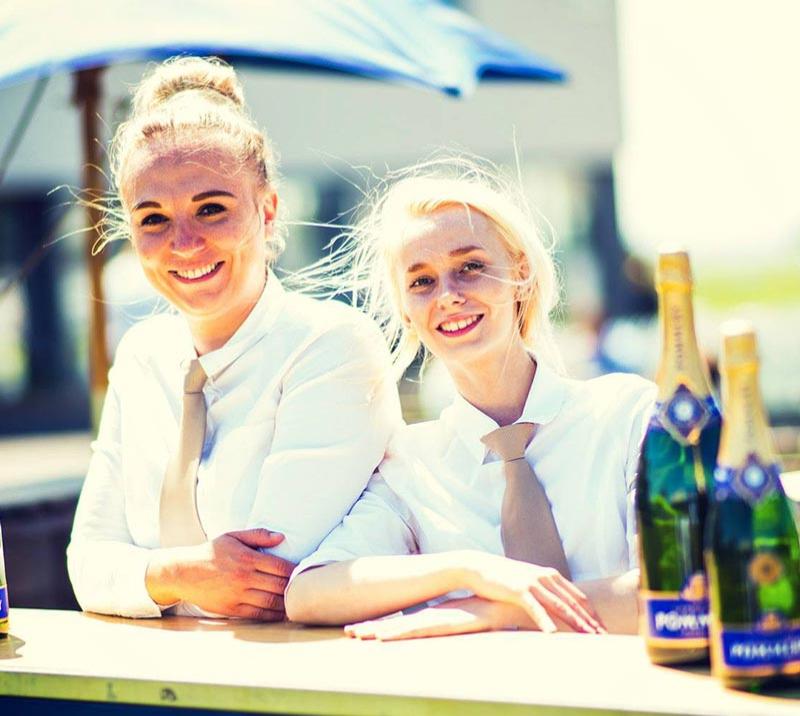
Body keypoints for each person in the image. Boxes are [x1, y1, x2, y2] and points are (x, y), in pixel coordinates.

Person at [67, 57, 400, 620]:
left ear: (267, 211)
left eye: (211, 209)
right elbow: (85, 566)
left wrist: (143, 579)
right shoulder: (140, 358)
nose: (185, 242)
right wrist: (178, 575)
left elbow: (266, 578)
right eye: (152, 219)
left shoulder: (331, 345)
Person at [285, 157, 656, 638]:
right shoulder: (410, 466)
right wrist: (468, 570)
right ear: (405, 312)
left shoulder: (628, 414)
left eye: (470, 267)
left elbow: (680, 592)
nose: (448, 294)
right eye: (421, 281)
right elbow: (309, 593)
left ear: (520, 273)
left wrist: (496, 610)